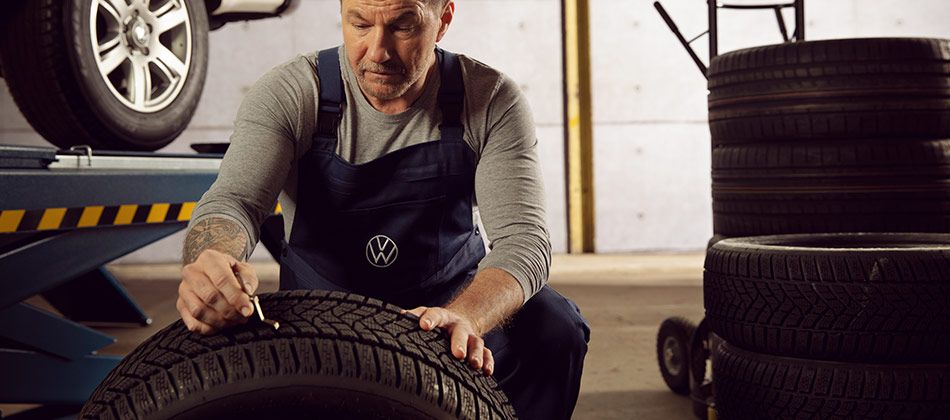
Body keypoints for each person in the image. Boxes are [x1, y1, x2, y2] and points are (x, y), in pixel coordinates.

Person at [176, 0, 589, 418]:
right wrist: (214, 261)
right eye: (359, 24)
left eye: (402, 27)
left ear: (443, 20)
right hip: (324, 316)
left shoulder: (489, 98)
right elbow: (236, 201)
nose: (378, 51)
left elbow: (524, 241)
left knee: (553, 327)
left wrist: (465, 317)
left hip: (446, 311)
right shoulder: (293, 92)